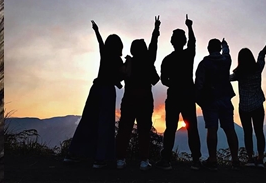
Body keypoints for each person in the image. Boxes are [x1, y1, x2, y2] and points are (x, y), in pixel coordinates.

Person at [63, 20, 124, 168]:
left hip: (95, 89)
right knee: (105, 123)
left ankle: (74, 153)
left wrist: (96, 30)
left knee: (87, 120)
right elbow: (119, 78)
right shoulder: (118, 60)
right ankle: (100, 158)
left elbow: (100, 43)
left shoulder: (105, 55)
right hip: (107, 92)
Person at [114, 16, 160, 171]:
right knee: (144, 130)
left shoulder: (129, 62)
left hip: (128, 99)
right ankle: (144, 161)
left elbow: (118, 77)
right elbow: (154, 47)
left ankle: (120, 159)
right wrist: (156, 30)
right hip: (145, 99)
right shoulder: (148, 62)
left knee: (125, 129)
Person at [157, 15, 201, 170]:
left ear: (171, 41)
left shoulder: (167, 60)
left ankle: (166, 159)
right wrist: (190, 27)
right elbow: (193, 43)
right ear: (183, 41)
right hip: (188, 95)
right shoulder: (188, 55)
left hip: (174, 95)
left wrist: (174, 83)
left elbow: (164, 80)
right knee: (192, 128)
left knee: (170, 128)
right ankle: (196, 160)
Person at [195, 38, 239, 170]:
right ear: (219, 49)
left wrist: (199, 99)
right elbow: (227, 52)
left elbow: (199, 83)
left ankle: (212, 160)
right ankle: (235, 160)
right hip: (225, 99)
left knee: (212, 129)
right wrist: (225, 44)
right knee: (230, 129)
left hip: (210, 100)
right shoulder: (226, 61)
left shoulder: (204, 64)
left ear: (208, 48)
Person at [230, 36, 266, 168]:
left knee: (247, 132)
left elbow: (227, 78)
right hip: (258, 105)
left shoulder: (239, 74)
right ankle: (260, 158)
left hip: (244, 108)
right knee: (259, 131)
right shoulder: (257, 68)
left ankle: (249, 158)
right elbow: (261, 55)